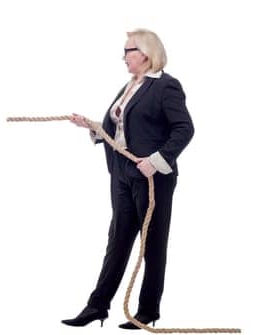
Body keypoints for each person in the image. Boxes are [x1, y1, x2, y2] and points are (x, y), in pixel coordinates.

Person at [60, 28, 193, 330]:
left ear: (145, 54)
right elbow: (118, 129)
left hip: (152, 179)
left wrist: (157, 161)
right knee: (117, 241)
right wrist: (93, 127)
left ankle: (147, 310)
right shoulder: (131, 85)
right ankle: (96, 307)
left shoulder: (166, 87)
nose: (124, 57)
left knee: (153, 244)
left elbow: (184, 129)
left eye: (128, 51)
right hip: (121, 175)